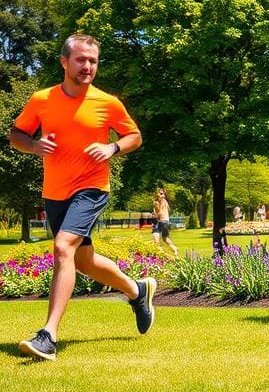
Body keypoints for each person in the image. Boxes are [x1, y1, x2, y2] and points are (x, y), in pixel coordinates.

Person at [9, 33, 156, 361]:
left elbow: (134, 135)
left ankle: (48, 335)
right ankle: (137, 291)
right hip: (55, 191)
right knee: (82, 261)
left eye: (93, 61)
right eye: (81, 60)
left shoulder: (108, 103)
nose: (88, 66)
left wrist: (112, 147)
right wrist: (33, 145)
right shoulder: (42, 100)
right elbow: (16, 135)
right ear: (64, 62)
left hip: (91, 188)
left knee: (63, 249)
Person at [151, 186, 180, 258]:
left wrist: (155, 213)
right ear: (156, 194)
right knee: (164, 239)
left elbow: (159, 213)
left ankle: (163, 255)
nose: (162, 196)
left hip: (162, 222)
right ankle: (174, 249)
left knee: (158, 241)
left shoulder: (161, 202)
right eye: (161, 194)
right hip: (162, 222)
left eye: (163, 194)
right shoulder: (160, 202)